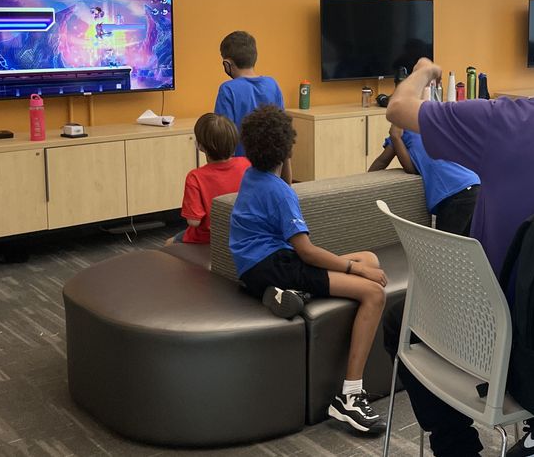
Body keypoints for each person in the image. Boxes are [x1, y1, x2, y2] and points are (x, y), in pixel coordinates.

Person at [384, 26, 534, 457]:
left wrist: (425, 71)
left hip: (483, 336)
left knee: (397, 319)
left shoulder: (502, 121)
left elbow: (399, 108)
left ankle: (457, 447)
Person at [228, 105, 388, 435]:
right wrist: (353, 271)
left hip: (253, 269)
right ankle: (350, 397)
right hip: (277, 265)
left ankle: (294, 294)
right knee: (373, 292)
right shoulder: (280, 193)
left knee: (369, 258)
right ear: (287, 147)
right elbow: (307, 253)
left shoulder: (252, 176)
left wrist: (359, 266)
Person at [368, 125, 480, 236]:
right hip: (473, 186)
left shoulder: (404, 132)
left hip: (457, 192)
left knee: (443, 248)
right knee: (465, 247)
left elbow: (390, 163)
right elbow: (408, 167)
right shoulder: (434, 125)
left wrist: (395, 137)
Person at [214, 31, 291, 183]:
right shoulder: (273, 85)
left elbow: (223, 142)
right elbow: (284, 136)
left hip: (241, 177)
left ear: (227, 64)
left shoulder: (227, 90)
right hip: (272, 174)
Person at [166, 113, 249, 246]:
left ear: (200, 146)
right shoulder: (248, 164)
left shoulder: (195, 177)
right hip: (244, 232)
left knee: (169, 243)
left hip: (208, 238)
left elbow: (194, 222)